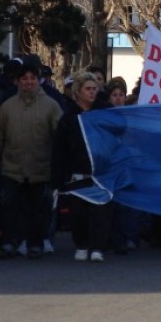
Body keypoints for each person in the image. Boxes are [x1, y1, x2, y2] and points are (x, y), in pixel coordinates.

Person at [0, 61, 63, 259]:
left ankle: (35, 243)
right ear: (18, 82)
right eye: (24, 79)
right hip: (12, 167)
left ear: (38, 81)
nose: (28, 82)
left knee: (39, 209)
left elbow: (61, 136)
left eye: (32, 78)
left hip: (41, 167)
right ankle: (11, 242)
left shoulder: (51, 106)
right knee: (10, 207)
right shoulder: (8, 106)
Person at [53, 72, 116, 262]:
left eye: (95, 89)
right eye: (88, 89)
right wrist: (57, 180)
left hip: (102, 174)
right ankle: (81, 245)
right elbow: (60, 150)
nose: (92, 92)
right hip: (77, 175)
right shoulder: (69, 118)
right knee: (78, 215)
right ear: (78, 92)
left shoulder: (105, 114)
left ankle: (98, 248)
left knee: (101, 213)